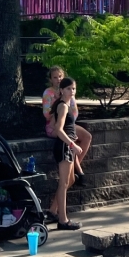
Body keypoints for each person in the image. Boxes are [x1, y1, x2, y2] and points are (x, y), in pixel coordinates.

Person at [42, 66, 91, 187]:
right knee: (70, 138)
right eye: (55, 77)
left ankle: (73, 168)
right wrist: (58, 106)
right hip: (54, 126)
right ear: (50, 79)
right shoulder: (48, 93)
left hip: (68, 124)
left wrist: (68, 118)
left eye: (60, 76)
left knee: (87, 136)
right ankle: (78, 172)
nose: (58, 79)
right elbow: (47, 115)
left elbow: (74, 113)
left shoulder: (69, 92)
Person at [47, 76, 82, 231]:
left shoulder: (64, 105)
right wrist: (72, 144)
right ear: (61, 90)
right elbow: (58, 129)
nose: (72, 91)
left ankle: (53, 210)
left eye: (73, 88)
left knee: (71, 180)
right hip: (64, 147)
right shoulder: (63, 106)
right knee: (64, 184)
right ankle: (63, 220)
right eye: (68, 88)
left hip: (67, 146)